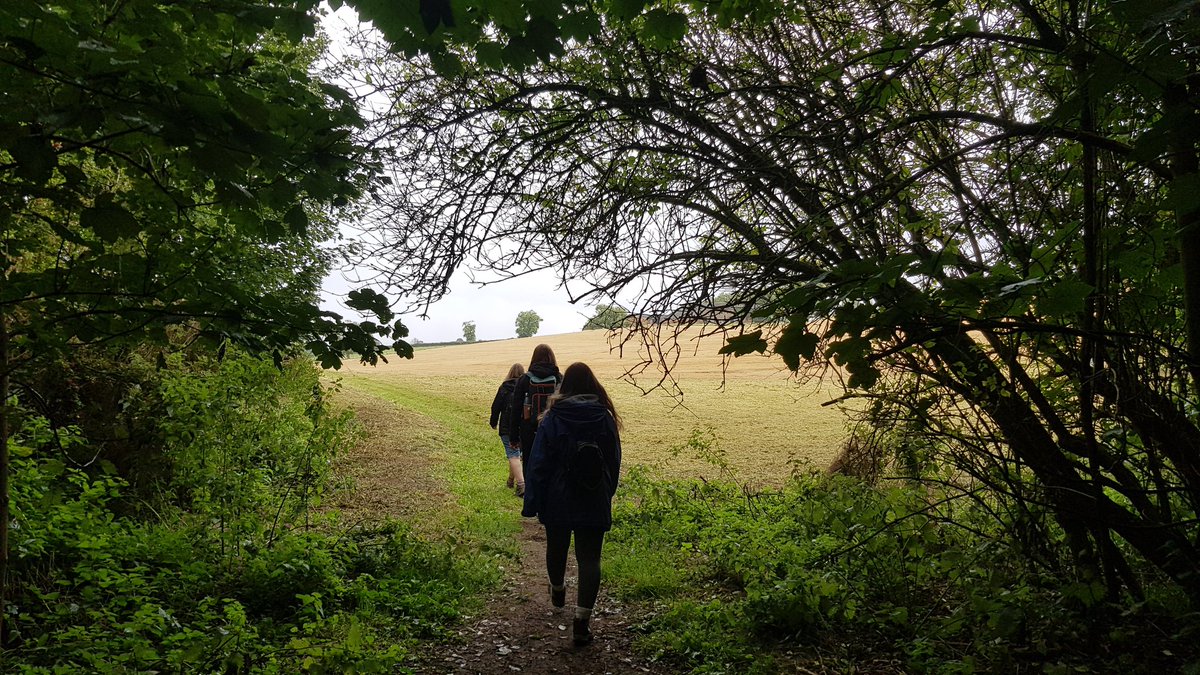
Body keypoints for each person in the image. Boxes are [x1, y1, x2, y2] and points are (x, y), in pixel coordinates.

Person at [521, 362, 622, 647]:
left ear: (564, 387)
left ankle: (558, 588)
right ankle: (582, 621)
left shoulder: (552, 418)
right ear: (593, 385)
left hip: (557, 497)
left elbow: (538, 463)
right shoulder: (604, 417)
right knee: (590, 558)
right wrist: (606, 492)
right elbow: (614, 460)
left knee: (557, 547)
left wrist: (533, 502)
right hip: (593, 495)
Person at [507, 343, 563, 462]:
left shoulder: (525, 379)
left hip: (529, 430)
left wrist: (513, 438)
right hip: (555, 429)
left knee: (529, 463)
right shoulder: (559, 378)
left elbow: (516, 409)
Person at [490, 363, 526, 495]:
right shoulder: (526, 387)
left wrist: (493, 422)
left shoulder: (504, 387)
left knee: (513, 455)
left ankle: (521, 485)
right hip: (523, 426)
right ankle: (511, 480)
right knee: (516, 455)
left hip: (507, 426)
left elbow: (496, 407)